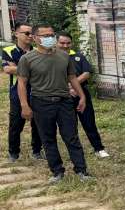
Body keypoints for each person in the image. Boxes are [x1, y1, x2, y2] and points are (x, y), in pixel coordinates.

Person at [16, 25, 91, 183]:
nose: (49, 38)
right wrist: (24, 105)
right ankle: (57, 172)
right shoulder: (27, 59)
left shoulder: (64, 56)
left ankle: (81, 171)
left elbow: (72, 78)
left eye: (51, 35)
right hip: (41, 103)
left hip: (64, 102)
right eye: (45, 35)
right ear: (35, 38)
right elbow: (22, 83)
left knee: (71, 137)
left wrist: (82, 96)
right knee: (48, 138)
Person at [57, 33, 110, 159]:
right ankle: (75, 153)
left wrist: (72, 85)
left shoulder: (78, 56)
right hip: (64, 96)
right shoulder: (52, 58)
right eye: (62, 43)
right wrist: (67, 88)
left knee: (89, 122)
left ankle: (99, 148)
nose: (65, 45)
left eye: (68, 43)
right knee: (70, 125)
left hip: (81, 94)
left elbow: (86, 73)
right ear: (56, 43)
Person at [2, 23, 43, 162]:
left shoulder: (38, 50)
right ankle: (13, 153)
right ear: (16, 34)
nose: (30, 36)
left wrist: (19, 67)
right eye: (26, 33)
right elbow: (8, 69)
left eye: (31, 33)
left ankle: (37, 151)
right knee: (16, 123)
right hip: (17, 91)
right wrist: (32, 68)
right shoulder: (8, 50)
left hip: (38, 90)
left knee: (38, 123)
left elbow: (44, 68)